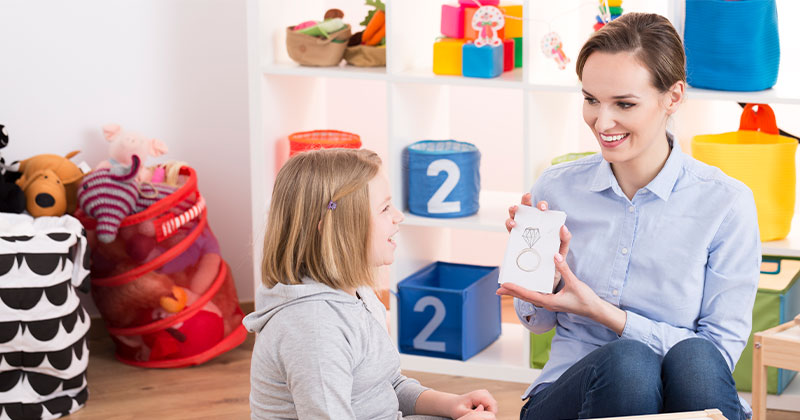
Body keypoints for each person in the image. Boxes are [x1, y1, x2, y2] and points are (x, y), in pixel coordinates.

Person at [499, 13, 760, 420]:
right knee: (629, 364)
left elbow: (719, 353)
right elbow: (537, 324)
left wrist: (604, 314)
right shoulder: (556, 187)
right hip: (569, 395)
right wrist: (542, 278)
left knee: (693, 355)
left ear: (672, 97)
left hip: (688, 395)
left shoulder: (726, 203)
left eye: (624, 104)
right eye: (590, 100)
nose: (602, 122)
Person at [244, 148, 498, 420]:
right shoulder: (315, 330)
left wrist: (451, 404)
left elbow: (385, 386)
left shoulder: (356, 294)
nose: (398, 216)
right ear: (335, 227)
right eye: (385, 208)